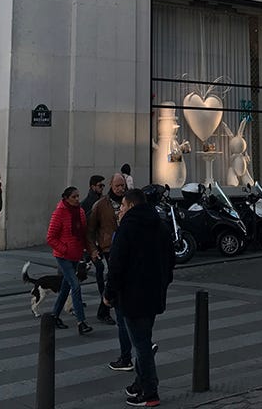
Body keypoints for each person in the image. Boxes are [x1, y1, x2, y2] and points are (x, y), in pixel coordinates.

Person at [104, 188, 174, 407]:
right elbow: (170, 259)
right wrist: (163, 284)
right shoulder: (160, 225)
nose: (120, 211)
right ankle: (139, 383)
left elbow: (116, 265)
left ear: (132, 206)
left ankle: (150, 392)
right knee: (143, 339)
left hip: (132, 296)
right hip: (153, 294)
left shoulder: (127, 228)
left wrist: (109, 293)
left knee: (141, 344)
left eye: (122, 206)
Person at [47, 186, 92, 334]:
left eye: (78, 196)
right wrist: (64, 249)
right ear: (66, 198)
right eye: (74, 196)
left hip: (76, 255)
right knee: (75, 285)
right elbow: (51, 237)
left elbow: (84, 234)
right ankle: (81, 321)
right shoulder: (59, 213)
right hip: (63, 256)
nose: (77, 199)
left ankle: (54, 315)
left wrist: (90, 251)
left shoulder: (80, 212)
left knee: (66, 288)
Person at [87, 173, 125, 327]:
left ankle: (109, 306)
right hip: (109, 246)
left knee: (118, 278)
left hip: (124, 245)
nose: (120, 188)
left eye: (122, 185)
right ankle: (105, 309)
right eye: (117, 186)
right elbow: (90, 229)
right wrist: (93, 249)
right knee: (114, 277)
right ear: (111, 185)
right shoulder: (102, 204)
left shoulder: (128, 201)